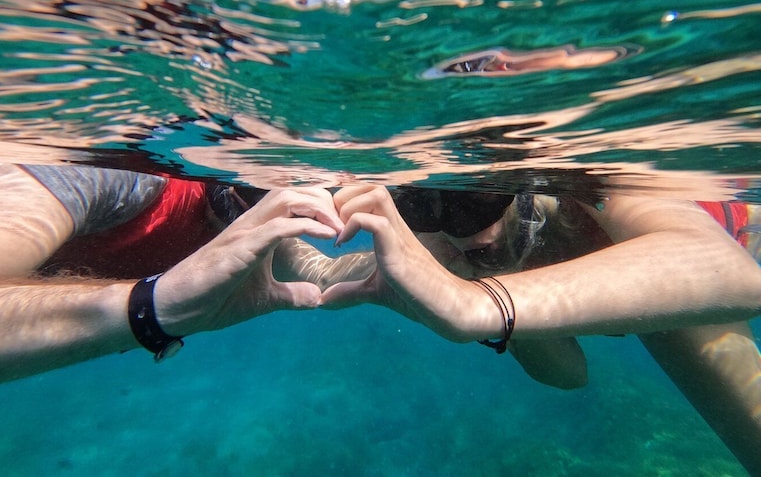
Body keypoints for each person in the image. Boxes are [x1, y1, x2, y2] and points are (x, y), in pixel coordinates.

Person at [321, 185, 761, 473]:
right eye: (422, 205)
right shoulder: (451, 238)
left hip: (715, 245)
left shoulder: (596, 180)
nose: (463, 228)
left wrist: (480, 301)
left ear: (526, 172)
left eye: (477, 197)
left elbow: (732, 273)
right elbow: (568, 373)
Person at [0, 162, 347, 387]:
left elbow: (327, 275)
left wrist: (401, 266)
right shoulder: (118, 174)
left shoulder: (254, 227)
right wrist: (152, 307)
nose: (278, 188)